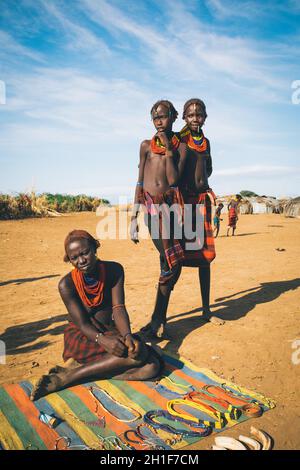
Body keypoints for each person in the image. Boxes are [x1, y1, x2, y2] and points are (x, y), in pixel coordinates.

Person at [30, 230, 162, 401]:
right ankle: (65, 378)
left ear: (94, 248)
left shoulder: (114, 270)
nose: (81, 260)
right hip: (83, 335)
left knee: (150, 367)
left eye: (85, 253)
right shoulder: (66, 284)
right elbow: (83, 325)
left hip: (110, 331)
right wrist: (103, 340)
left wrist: (127, 335)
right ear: (69, 260)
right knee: (143, 357)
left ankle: (83, 373)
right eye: (74, 258)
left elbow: (118, 308)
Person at [130, 100, 187, 338]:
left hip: (173, 209)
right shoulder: (145, 146)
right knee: (169, 262)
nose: (159, 122)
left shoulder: (181, 147)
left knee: (173, 264)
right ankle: (157, 319)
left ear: (173, 117)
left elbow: (173, 180)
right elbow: (140, 181)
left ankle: (158, 318)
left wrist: (169, 149)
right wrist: (133, 217)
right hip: (152, 210)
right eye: (155, 119)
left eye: (163, 117)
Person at [179, 98, 224, 326]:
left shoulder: (206, 142)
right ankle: (160, 318)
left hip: (201, 201)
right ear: (184, 117)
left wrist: (202, 184)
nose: (195, 118)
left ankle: (206, 310)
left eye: (199, 115)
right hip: (183, 202)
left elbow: (209, 168)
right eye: (190, 115)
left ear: (205, 117)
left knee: (205, 259)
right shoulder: (179, 140)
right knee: (171, 261)